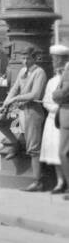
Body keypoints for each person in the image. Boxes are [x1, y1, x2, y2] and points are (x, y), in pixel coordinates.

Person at [0, 46, 49, 188]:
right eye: (23, 58)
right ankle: (15, 143)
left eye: (28, 58)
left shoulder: (39, 72)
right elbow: (14, 88)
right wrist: (6, 103)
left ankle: (37, 181)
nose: (25, 61)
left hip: (33, 112)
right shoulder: (23, 71)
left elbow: (35, 94)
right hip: (20, 110)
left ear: (35, 58)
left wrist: (15, 99)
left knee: (33, 148)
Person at [38, 45, 67, 193]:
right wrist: (52, 107)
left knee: (62, 151)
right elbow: (45, 100)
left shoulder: (65, 79)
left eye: (56, 59)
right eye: (53, 59)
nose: (54, 62)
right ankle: (60, 181)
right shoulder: (51, 81)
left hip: (62, 118)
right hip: (52, 120)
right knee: (53, 152)